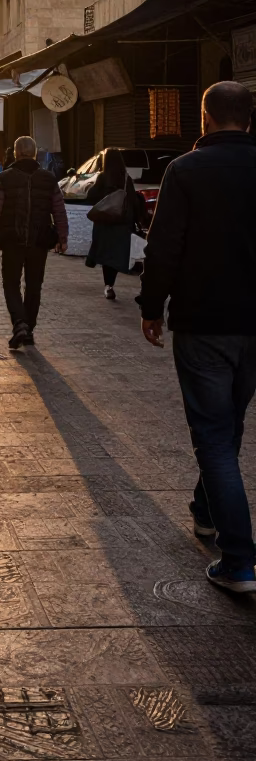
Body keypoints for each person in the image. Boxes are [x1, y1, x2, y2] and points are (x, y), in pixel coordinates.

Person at [139, 80, 256, 594]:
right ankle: (206, 512)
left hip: (204, 323)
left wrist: (151, 307)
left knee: (213, 435)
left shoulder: (184, 170)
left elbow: (165, 246)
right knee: (229, 424)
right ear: (249, 119)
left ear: (205, 118)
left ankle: (238, 561)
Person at [0, 134, 68, 349]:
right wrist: (62, 237)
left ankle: (20, 323)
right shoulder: (48, 179)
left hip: (12, 240)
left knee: (11, 283)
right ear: (34, 153)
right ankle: (28, 328)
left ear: (15, 153)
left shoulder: (5, 178)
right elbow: (59, 210)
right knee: (34, 285)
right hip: (39, 240)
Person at [85, 147, 144, 299]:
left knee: (106, 256)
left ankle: (108, 285)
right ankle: (111, 283)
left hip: (105, 222)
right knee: (116, 255)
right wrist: (137, 221)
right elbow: (133, 202)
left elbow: (90, 196)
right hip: (122, 223)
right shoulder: (126, 178)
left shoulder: (103, 177)